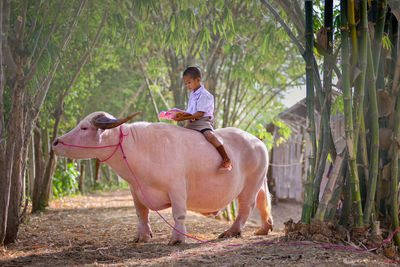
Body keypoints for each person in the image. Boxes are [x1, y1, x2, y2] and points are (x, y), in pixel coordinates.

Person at [174, 67, 233, 171]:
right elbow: (191, 111)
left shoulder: (205, 95)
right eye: (186, 83)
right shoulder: (192, 94)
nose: (188, 86)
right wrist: (181, 115)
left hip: (203, 122)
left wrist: (185, 117)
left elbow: (199, 113)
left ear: (197, 80)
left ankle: (226, 159)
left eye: (189, 83)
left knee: (210, 136)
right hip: (192, 122)